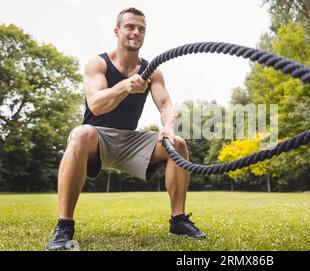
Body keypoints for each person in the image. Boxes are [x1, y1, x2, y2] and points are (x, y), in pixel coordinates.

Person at [46, 7, 205, 250]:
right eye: (130, 27)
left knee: (178, 143)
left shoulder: (152, 70)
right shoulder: (97, 63)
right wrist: (125, 86)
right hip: (97, 138)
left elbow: (166, 106)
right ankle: (64, 226)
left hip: (130, 140)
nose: (136, 32)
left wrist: (169, 126)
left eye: (141, 29)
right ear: (117, 30)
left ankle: (178, 220)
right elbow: (96, 105)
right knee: (80, 133)